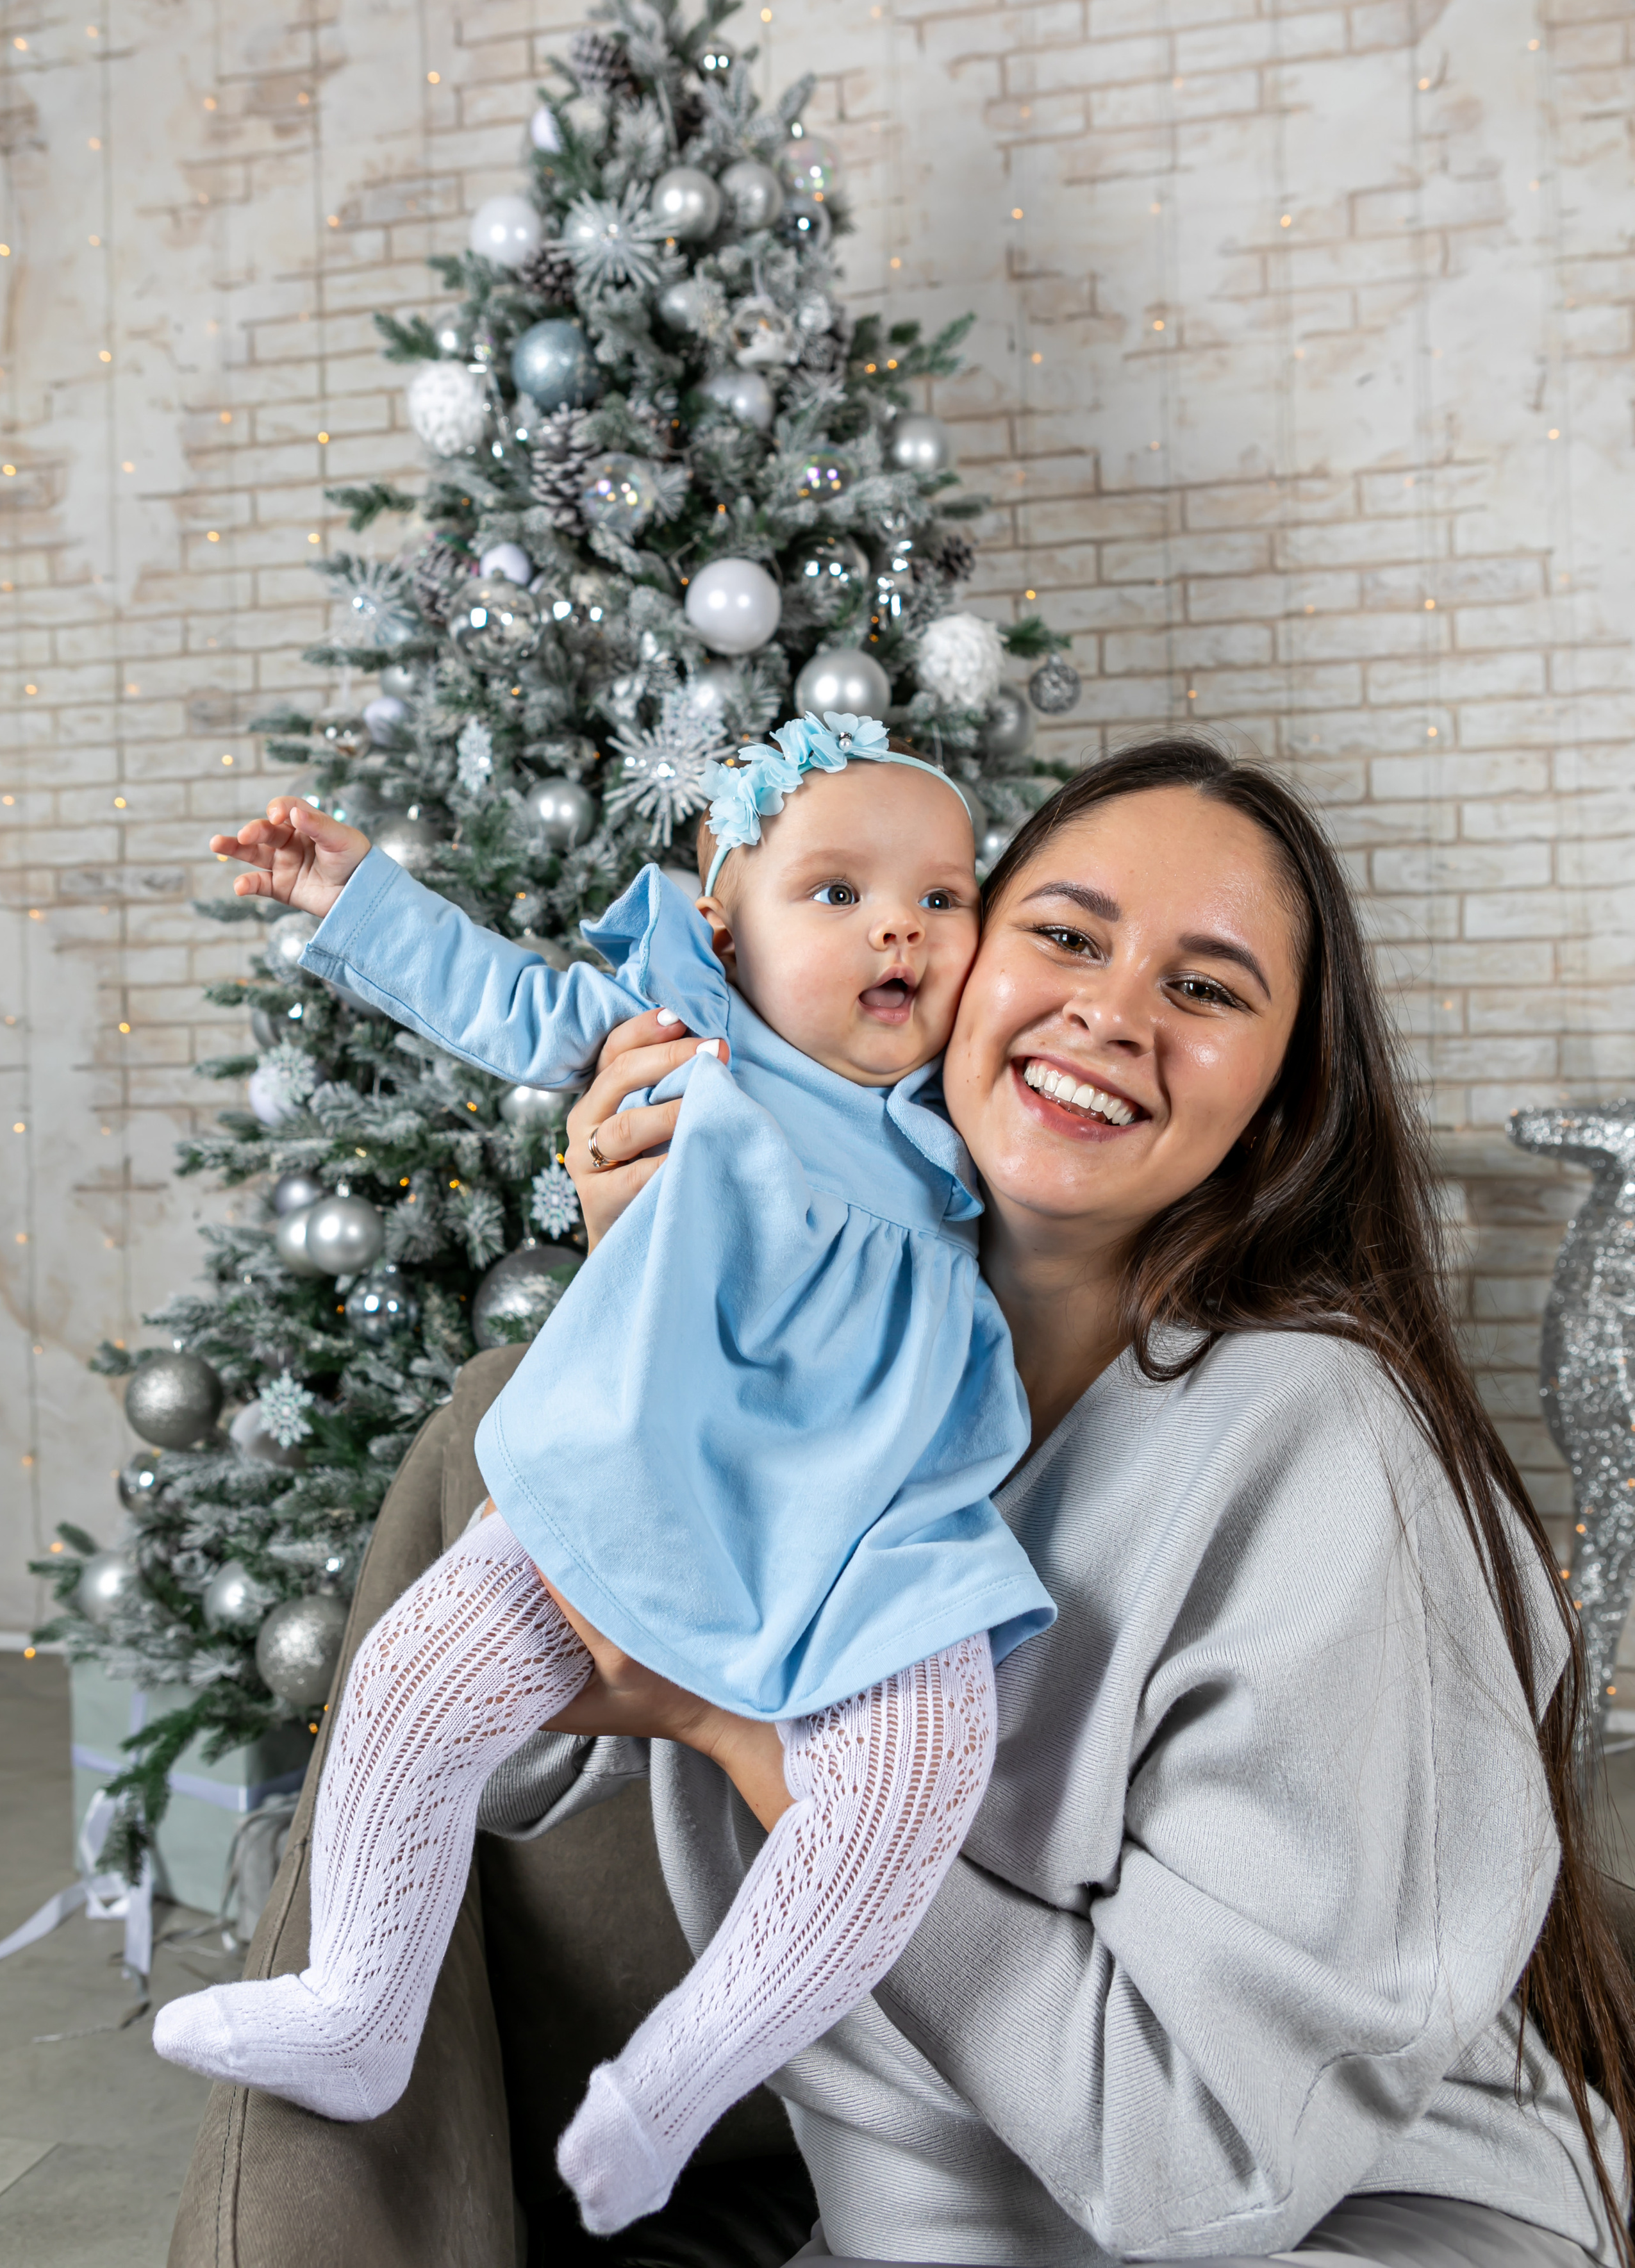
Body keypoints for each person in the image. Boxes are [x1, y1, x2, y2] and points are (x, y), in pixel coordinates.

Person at [488, 735, 1635, 2267]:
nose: (1108, 1011)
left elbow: (1194, 2169)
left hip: (1353, 2230)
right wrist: (656, 1303)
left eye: (1207, 988)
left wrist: (748, 1741)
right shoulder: (834, 1375)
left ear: (1281, 1108)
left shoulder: (1320, 1451)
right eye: (1064, 936)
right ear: (939, 967)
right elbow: (506, 1777)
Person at [152, 712, 1056, 2235]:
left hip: (870, 1534)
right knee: (412, 1678)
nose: (897, 924)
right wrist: (357, 892)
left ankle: (681, 2077)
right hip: (640, 1469)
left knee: (914, 1768)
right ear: (720, 930)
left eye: (941, 897)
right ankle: (359, 2001)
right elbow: (511, 1000)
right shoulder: (691, 1045)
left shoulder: (965, 1112)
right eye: (833, 892)